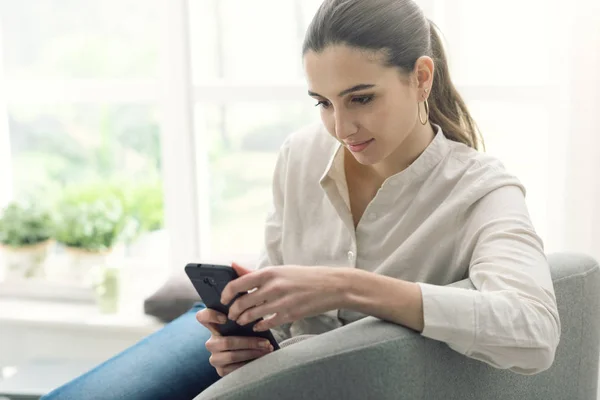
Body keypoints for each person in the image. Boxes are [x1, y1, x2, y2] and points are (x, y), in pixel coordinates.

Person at [42, 0, 561, 398]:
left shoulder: (480, 191)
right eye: (323, 103)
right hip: (273, 358)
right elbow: (279, 272)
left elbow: (535, 331)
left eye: (362, 98)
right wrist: (249, 335)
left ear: (420, 77)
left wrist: (351, 287)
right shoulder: (299, 155)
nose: (341, 127)